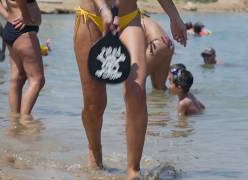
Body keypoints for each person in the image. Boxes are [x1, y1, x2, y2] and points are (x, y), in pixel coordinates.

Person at [73, 0, 187, 179]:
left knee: (137, 90)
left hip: (129, 19)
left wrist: (175, 17)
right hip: (92, 18)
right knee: (95, 103)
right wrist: (104, 10)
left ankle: (133, 170)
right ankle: (94, 151)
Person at [0, 0, 45, 115]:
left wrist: (6, 15)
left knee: (17, 79)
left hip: (12, 26)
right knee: (37, 80)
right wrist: (25, 16)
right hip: (24, 31)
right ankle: (24, 121)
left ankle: (15, 121)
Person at [141, 13, 174, 91]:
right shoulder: (145, 19)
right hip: (168, 43)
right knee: (159, 88)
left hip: (156, 44)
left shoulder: (133, 20)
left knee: (135, 79)